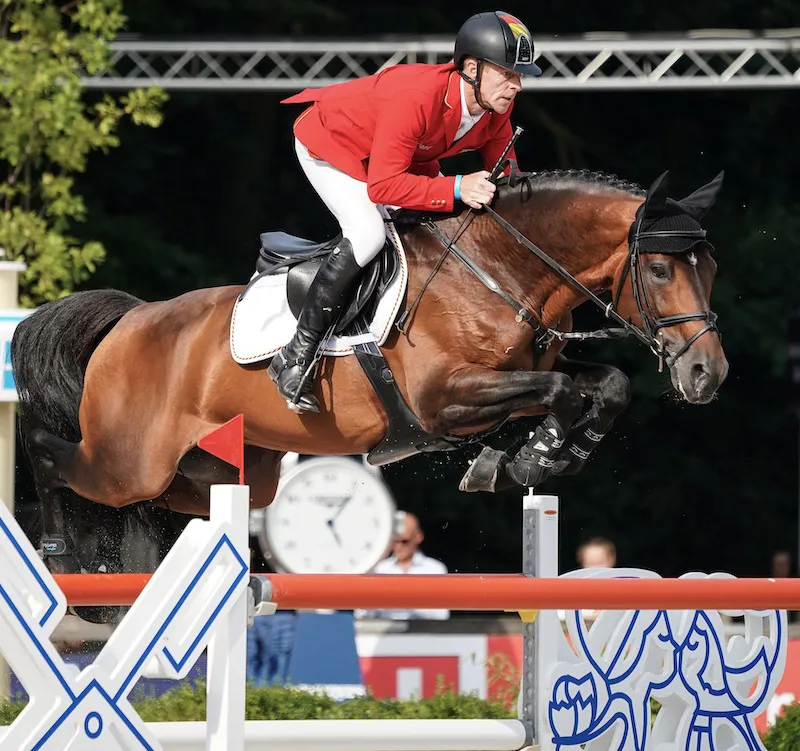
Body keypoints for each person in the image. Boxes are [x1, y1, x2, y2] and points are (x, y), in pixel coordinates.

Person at [272, 11, 542, 413]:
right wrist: (457, 186)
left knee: (443, 228)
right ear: (472, 69)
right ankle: (296, 355)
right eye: (507, 74)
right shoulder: (416, 97)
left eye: (519, 76)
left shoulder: (495, 108)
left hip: (399, 160)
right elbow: (383, 186)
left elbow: (508, 180)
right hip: (333, 147)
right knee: (368, 234)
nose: (516, 86)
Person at [357, 511, 450, 620]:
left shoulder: (435, 569)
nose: (399, 546)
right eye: (394, 541)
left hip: (422, 630)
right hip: (386, 630)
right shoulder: (378, 569)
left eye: (404, 541)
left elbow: (441, 615)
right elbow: (363, 616)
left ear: (418, 537)